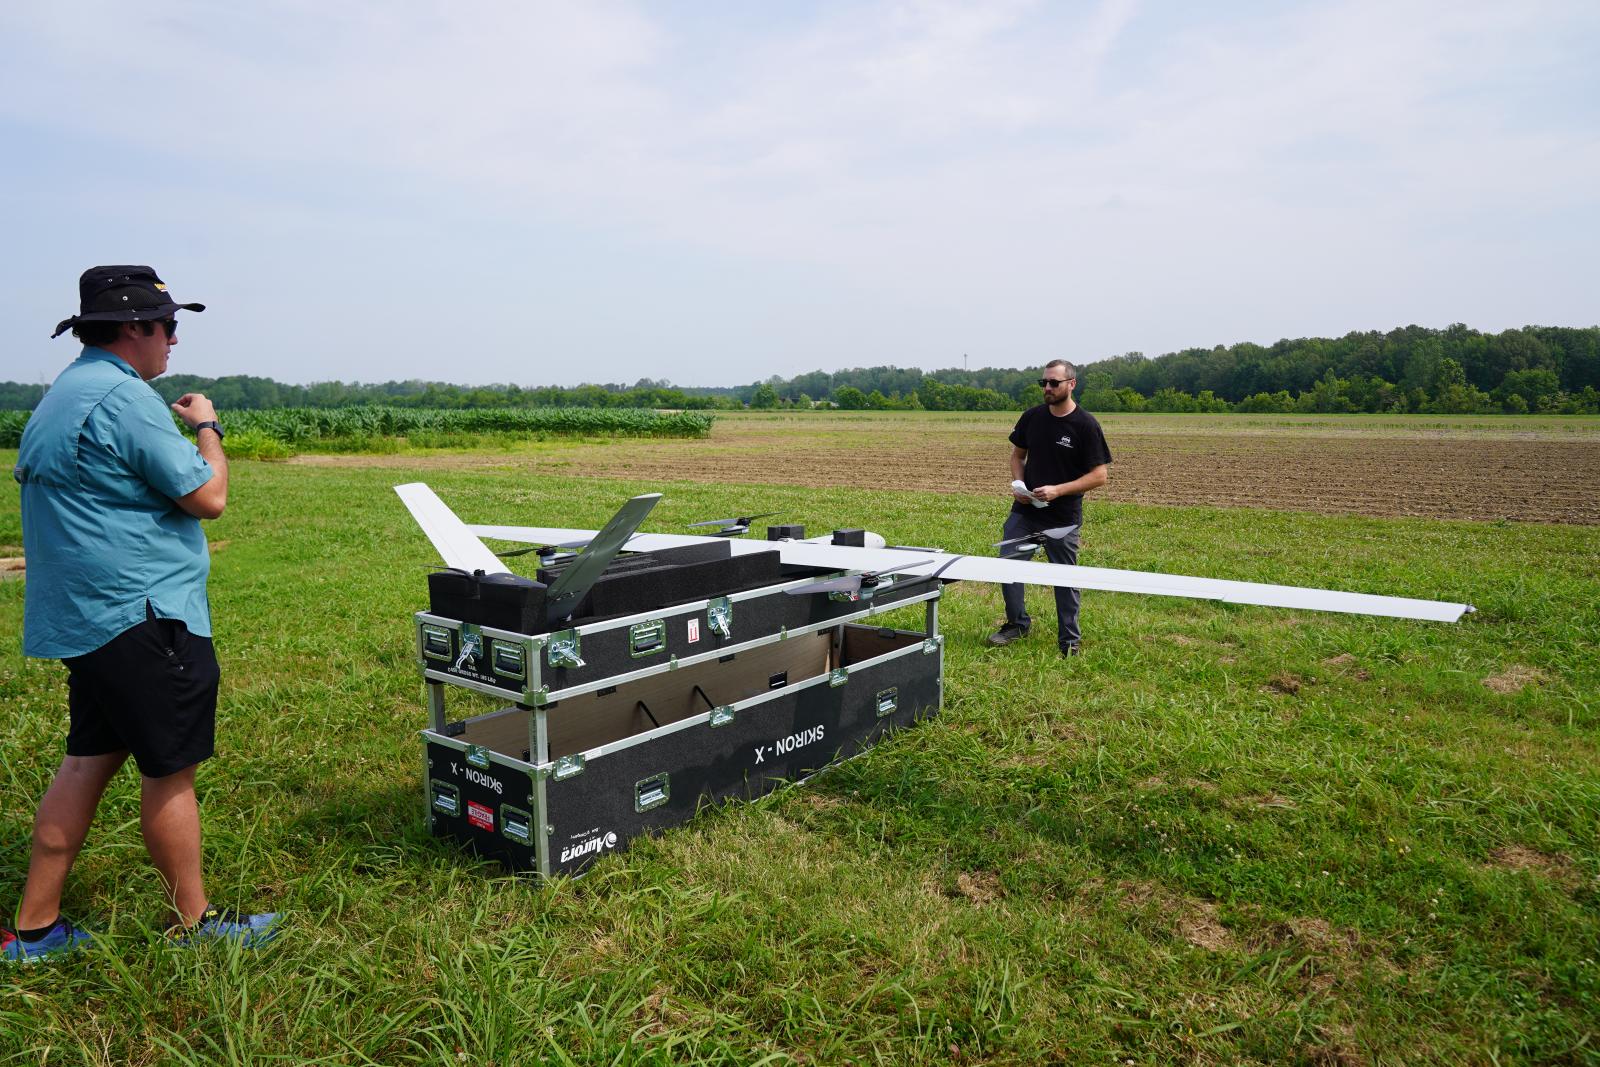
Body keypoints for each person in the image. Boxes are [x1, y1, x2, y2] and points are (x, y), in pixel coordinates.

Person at [3, 266, 280, 963]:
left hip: (87, 620)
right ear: (133, 327)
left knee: (85, 762)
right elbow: (208, 495)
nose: (173, 339)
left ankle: (35, 930)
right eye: (166, 325)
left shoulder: (60, 395)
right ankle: (195, 923)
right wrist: (208, 426)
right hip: (144, 615)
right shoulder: (125, 400)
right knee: (169, 768)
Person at [988, 359, 1112, 656]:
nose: (1047, 388)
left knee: (1064, 577)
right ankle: (1017, 624)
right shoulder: (1032, 417)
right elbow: (1017, 456)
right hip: (1025, 512)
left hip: (1062, 518)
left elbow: (1100, 476)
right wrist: (1019, 484)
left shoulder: (1086, 425)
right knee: (1008, 567)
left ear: (1071, 384)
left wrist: (1058, 491)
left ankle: (1069, 640)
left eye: (1053, 383)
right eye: (1043, 382)